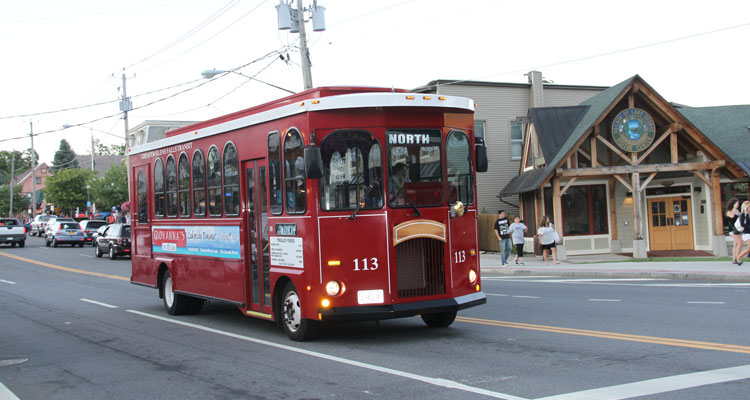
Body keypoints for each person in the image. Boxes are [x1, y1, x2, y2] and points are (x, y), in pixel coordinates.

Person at [726, 198, 743, 265]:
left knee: (736, 244)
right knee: (740, 243)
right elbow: (732, 217)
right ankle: (737, 258)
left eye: (738, 203)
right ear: (732, 204)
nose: (737, 204)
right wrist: (734, 209)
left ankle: (734, 259)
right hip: (732, 230)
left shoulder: (736, 210)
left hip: (737, 229)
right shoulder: (729, 211)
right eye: (736, 203)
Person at [736, 201, 750, 265]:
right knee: (749, 248)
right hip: (746, 233)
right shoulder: (743, 214)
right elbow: (742, 224)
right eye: (749, 207)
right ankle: (738, 257)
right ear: (745, 207)